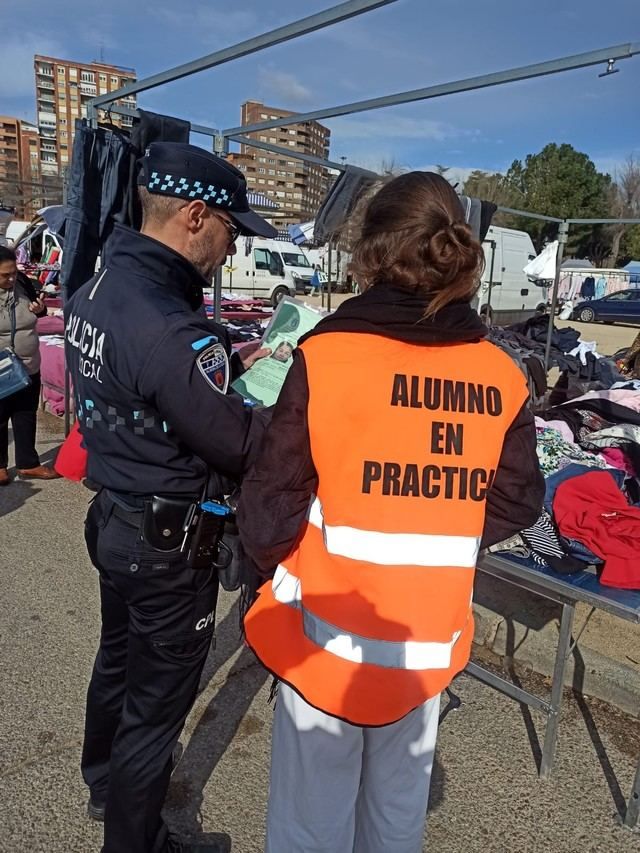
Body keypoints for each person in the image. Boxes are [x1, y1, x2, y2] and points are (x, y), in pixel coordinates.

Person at [239, 171, 545, 853]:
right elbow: (520, 498)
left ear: (371, 251)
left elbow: (269, 507)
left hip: (326, 642)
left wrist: (273, 565)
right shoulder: (501, 372)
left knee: (310, 829)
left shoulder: (329, 355)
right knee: (395, 824)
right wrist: (439, 514)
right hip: (424, 648)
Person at [64, 142, 277, 853]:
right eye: (229, 228)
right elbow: (239, 443)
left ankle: (103, 781)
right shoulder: (170, 327)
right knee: (154, 715)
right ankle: (136, 841)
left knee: (115, 663)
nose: (231, 245)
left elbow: (149, 382)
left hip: (116, 519)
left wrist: (214, 358)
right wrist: (284, 406)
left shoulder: (98, 286)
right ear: (194, 217)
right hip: (165, 546)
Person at [0, 245, 60, 485]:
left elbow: (41, 311)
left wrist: (41, 309)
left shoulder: (23, 283)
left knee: (26, 414)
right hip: (2, 369)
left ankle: (28, 464)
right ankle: (0, 466)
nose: (11, 278)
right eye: (5, 275)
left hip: (28, 366)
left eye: (13, 272)